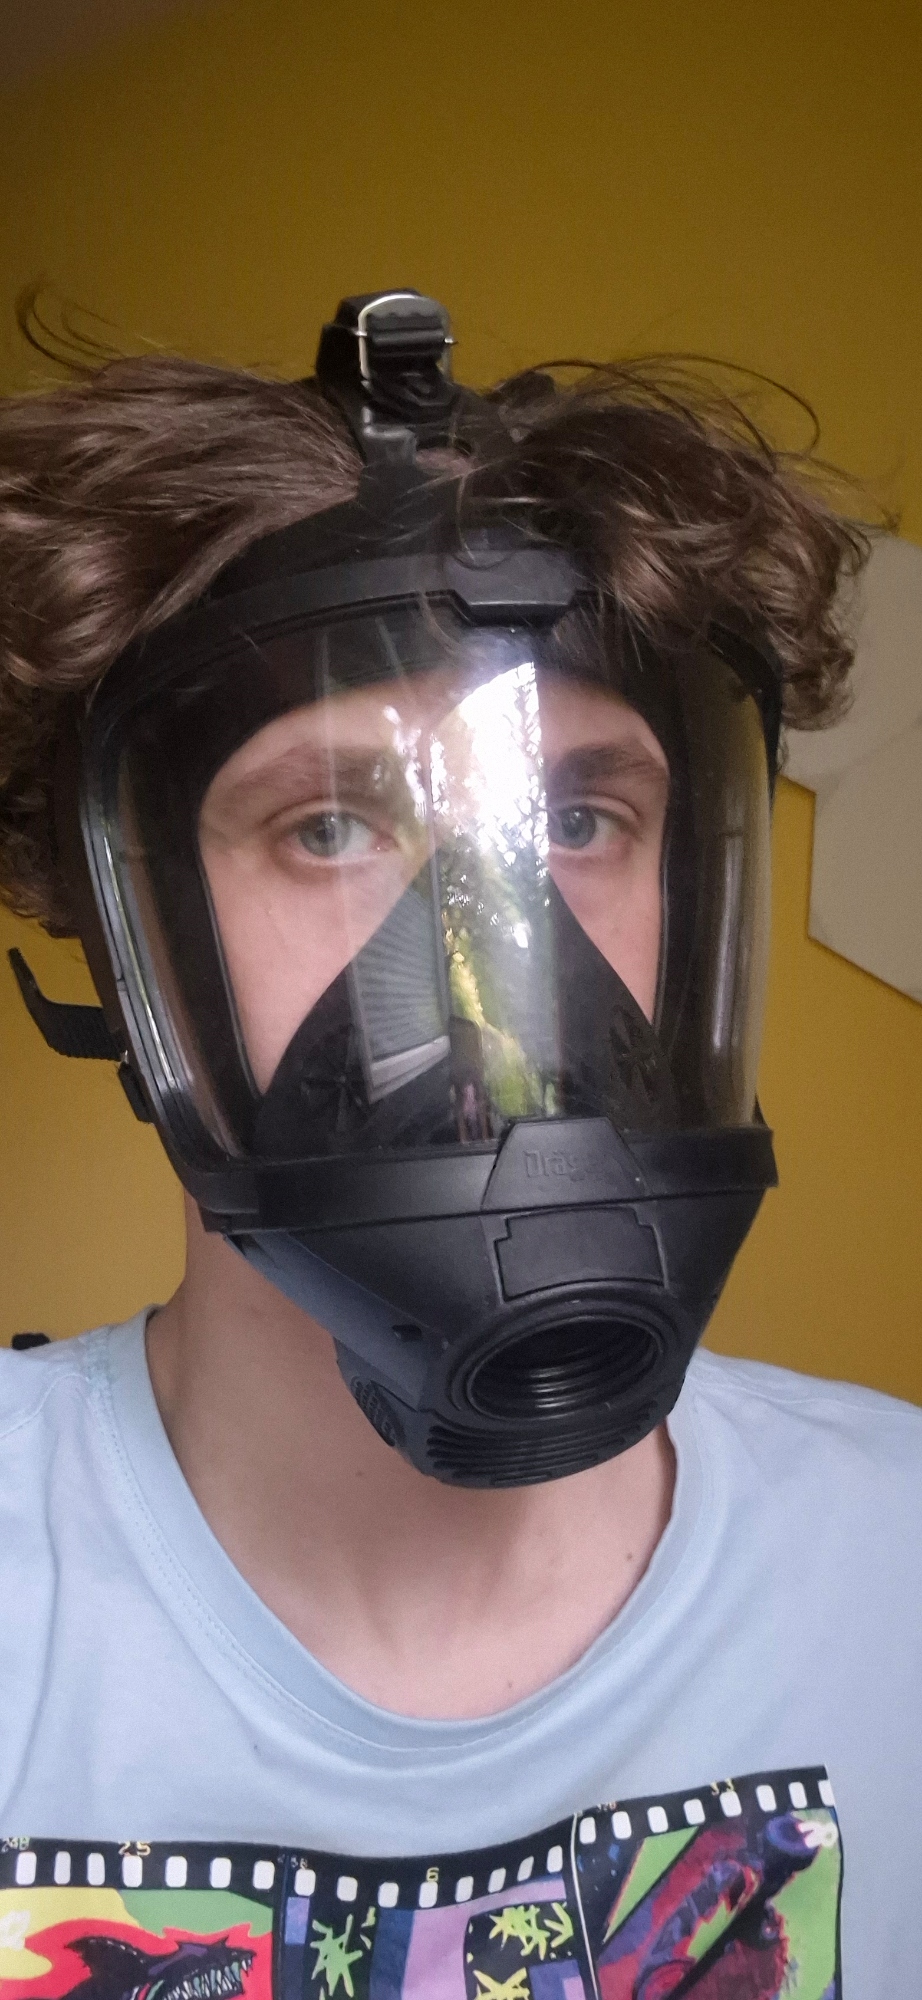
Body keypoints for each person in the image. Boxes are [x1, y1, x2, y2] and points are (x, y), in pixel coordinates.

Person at [0, 291, 919, 1999]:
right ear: (132, 955)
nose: (501, 963)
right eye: (326, 825)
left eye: (575, 816)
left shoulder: (899, 1563)